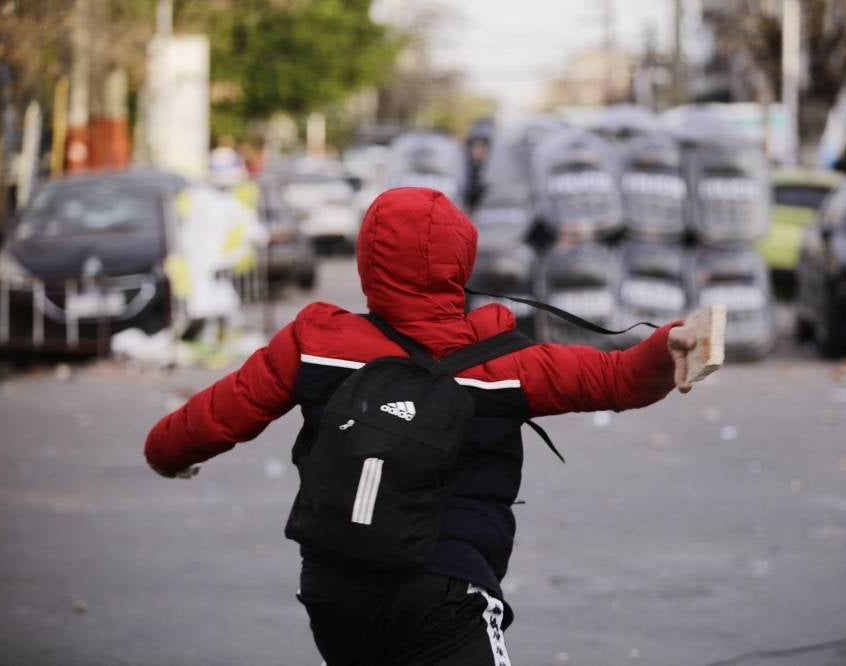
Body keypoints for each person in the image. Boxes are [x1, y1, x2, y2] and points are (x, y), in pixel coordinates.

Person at [145, 187, 697, 666]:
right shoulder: (502, 365)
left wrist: (166, 453)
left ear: (367, 261)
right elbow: (615, 378)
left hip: (334, 592)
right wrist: (662, 346)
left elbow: (221, 411)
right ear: (461, 264)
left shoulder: (314, 343)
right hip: (446, 591)